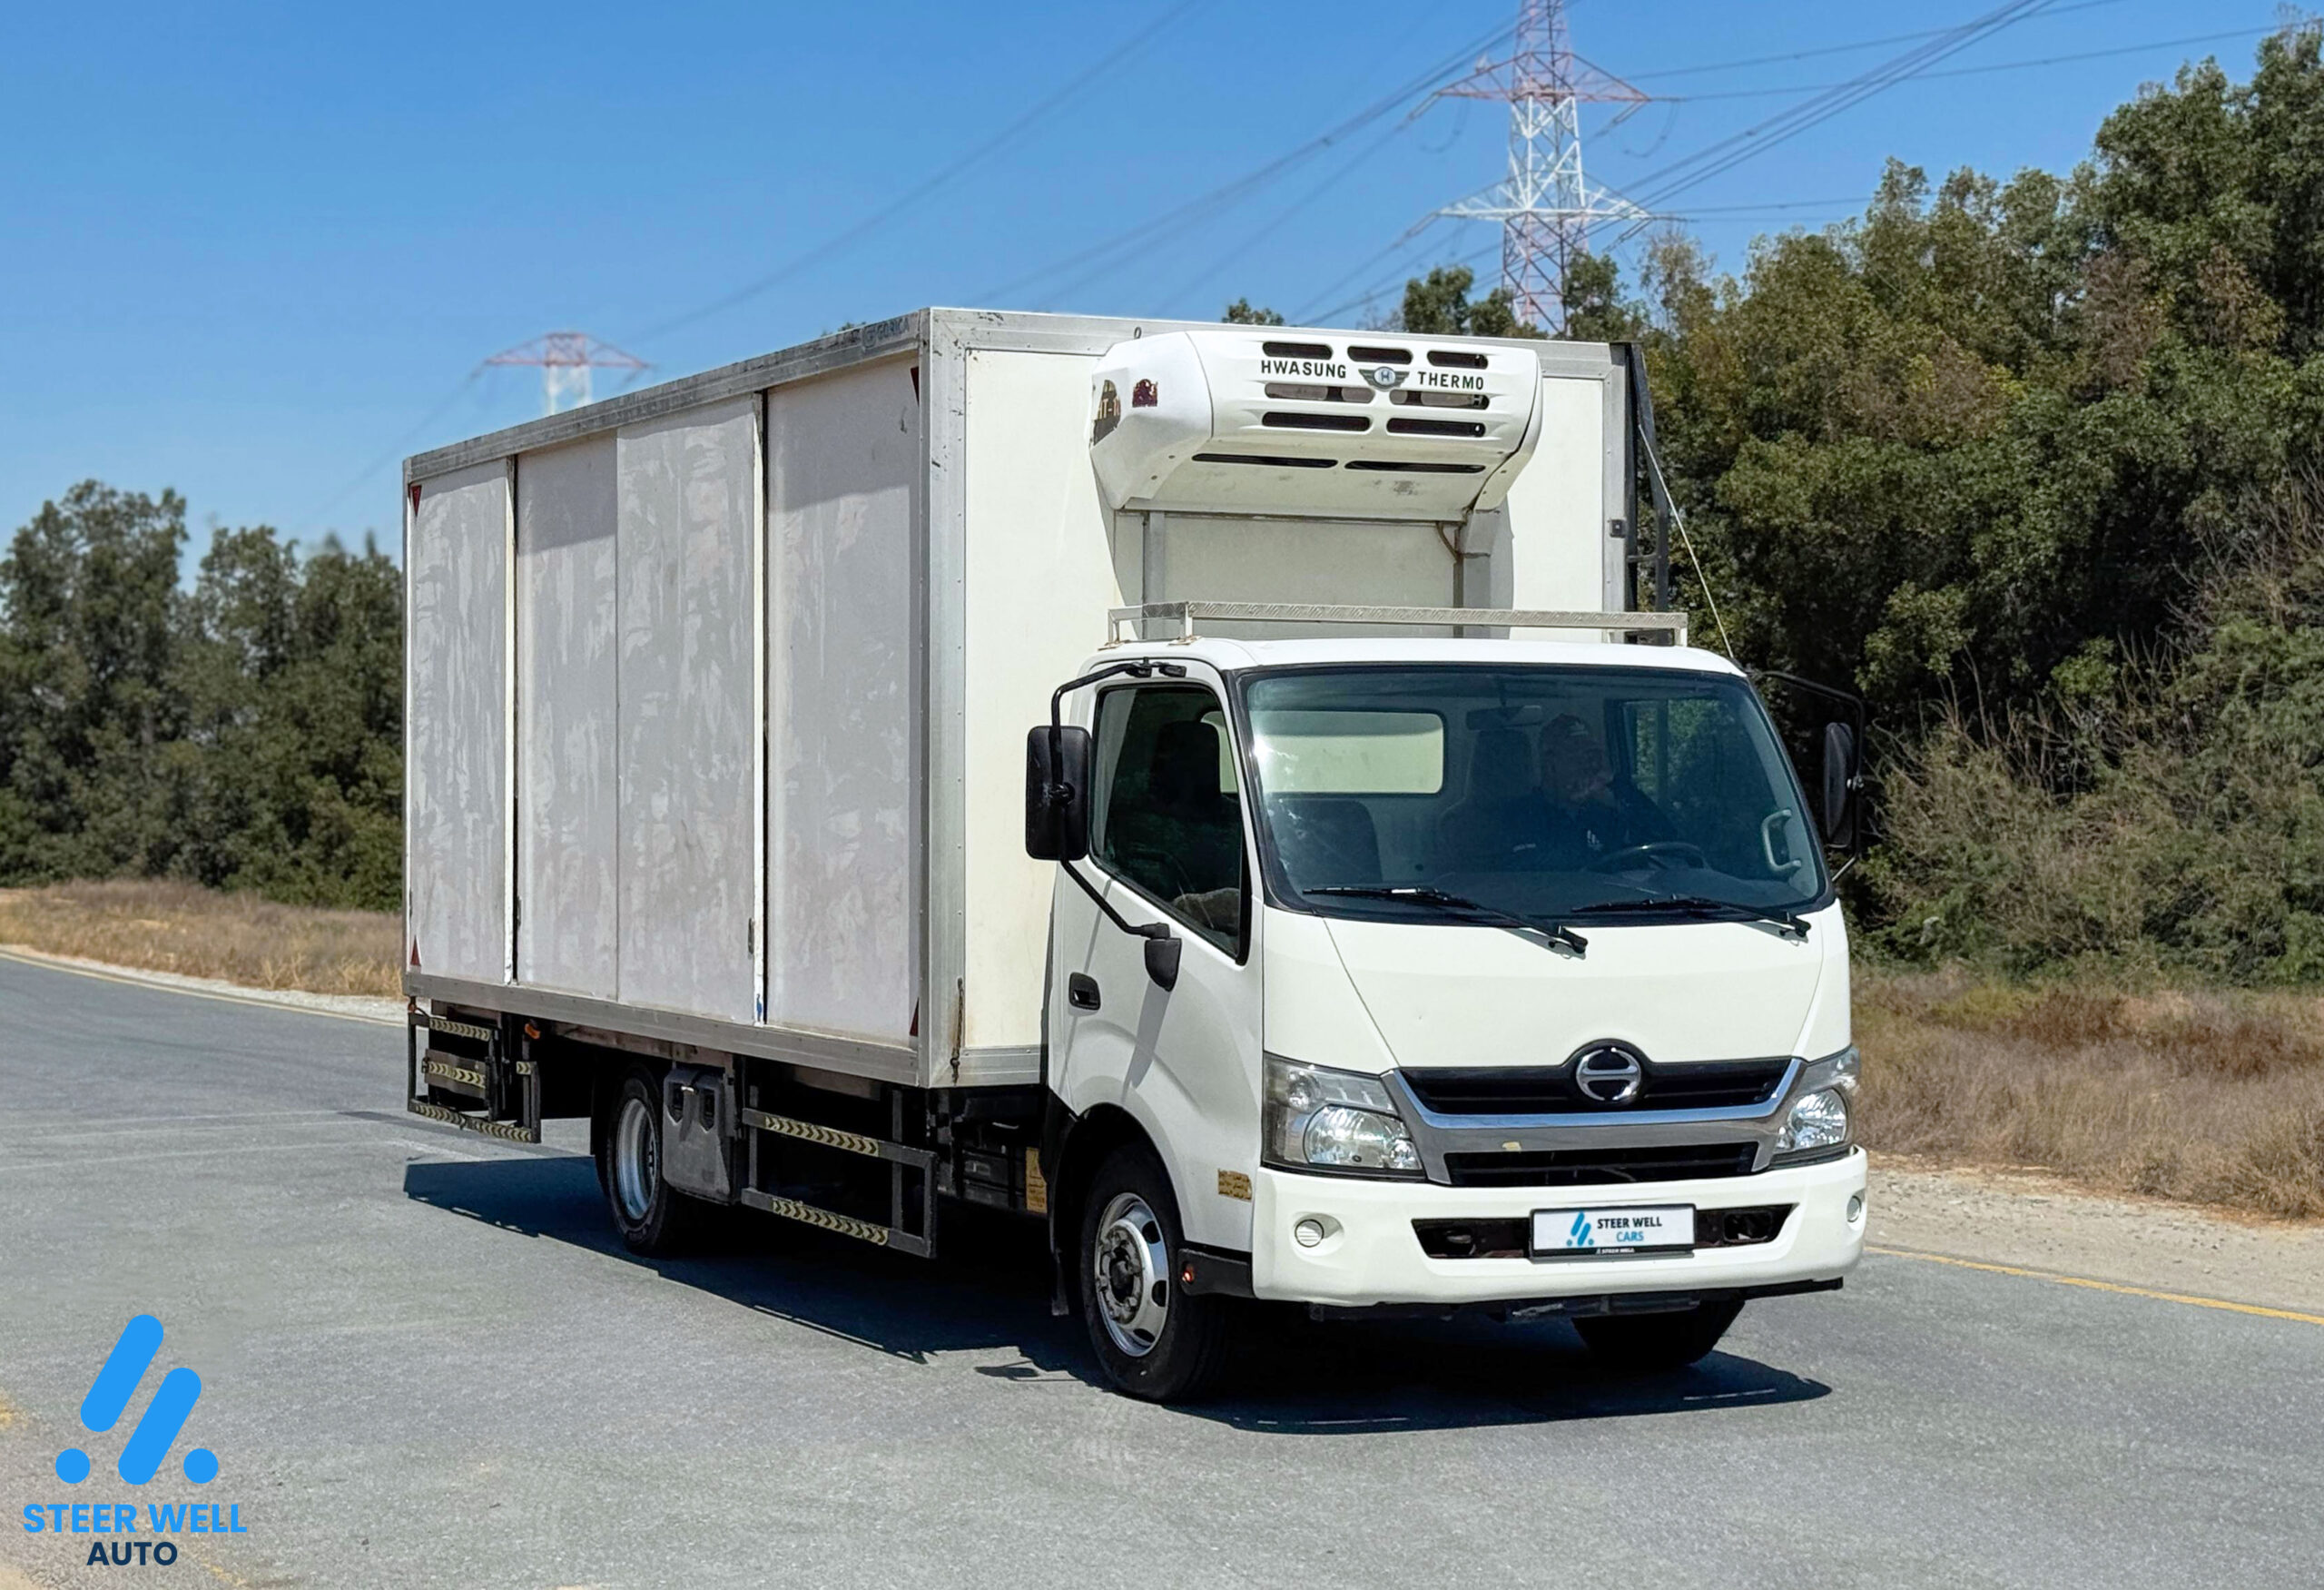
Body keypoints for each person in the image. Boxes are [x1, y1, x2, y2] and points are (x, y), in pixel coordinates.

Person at [1539, 714, 1672, 864]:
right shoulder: (1523, 818)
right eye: (1576, 759)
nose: (1588, 766)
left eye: (1592, 757)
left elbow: (1669, 846)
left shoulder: (1606, 814)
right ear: (1550, 766)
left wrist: (1617, 788)